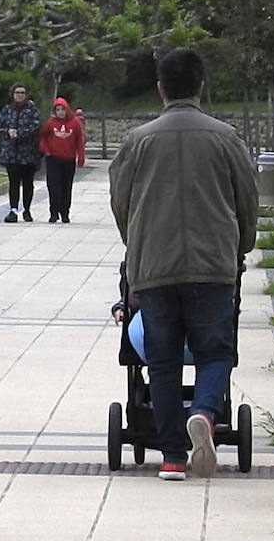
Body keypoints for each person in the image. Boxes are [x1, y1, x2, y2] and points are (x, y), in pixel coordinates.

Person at [109, 47, 258, 481]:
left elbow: (121, 202)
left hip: (154, 266)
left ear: (160, 89)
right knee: (216, 351)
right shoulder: (226, 138)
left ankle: (172, 455)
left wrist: (136, 242)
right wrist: (240, 246)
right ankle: (207, 415)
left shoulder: (138, 141)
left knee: (162, 360)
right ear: (201, 86)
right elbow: (247, 201)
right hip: (213, 266)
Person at [0, 83, 43, 222]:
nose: (20, 95)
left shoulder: (32, 110)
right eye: (17, 92)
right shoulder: (7, 109)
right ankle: (13, 210)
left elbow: (36, 126)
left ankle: (27, 209)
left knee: (28, 183)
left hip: (28, 153)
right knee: (13, 182)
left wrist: (21, 134)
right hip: (11, 153)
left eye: (22, 92)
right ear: (13, 94)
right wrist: (8, 132)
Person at [38, 97, 85, 223]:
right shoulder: (50, 123)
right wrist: (45, 149)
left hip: (69, 160)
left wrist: (81, 156)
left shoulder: (75, 123)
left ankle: (65, 212)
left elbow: (79, 141)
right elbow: (43, 137)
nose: (60, 112)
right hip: (53, 159)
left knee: (66, 187)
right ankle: (54, 212)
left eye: (62, 109)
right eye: (58, 110)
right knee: (53, 187)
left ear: (67, 109)